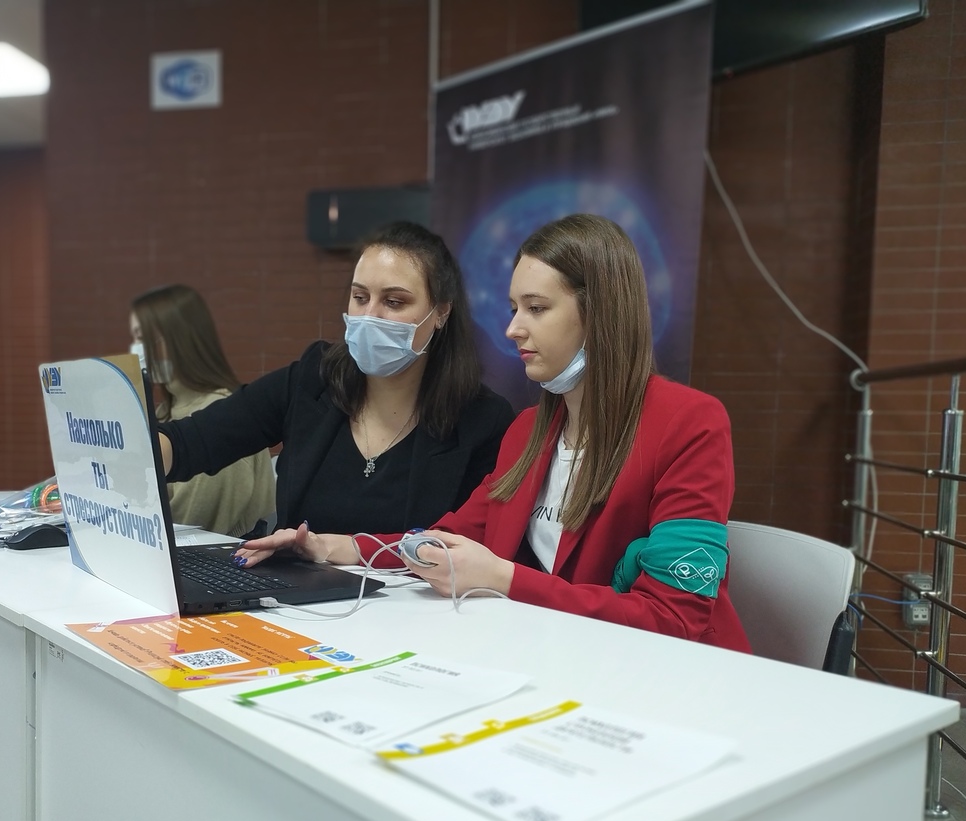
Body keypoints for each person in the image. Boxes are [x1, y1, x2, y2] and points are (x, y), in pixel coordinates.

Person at [239, 214, 751, 653]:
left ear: (601, 315)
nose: (513, 329)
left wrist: (502, 578)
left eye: (536, 308)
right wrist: (332, 548)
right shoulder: (529, 430)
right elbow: (448, 540)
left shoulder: (690, 423)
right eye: (513, 309)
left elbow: (675, 619)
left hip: (664, 683)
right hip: (559, 662)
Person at [156, 221, 515, 536]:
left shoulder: (483, 420)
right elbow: (193, 441)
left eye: (394, 302)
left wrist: (337, 550)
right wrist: (135, 453)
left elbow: (469, 545)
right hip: (295, 591)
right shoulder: (313, 380)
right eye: (360, 297)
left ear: (441, 313)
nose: (369, 315)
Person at [130, 284, 275, 538]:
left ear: (177, 340)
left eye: (143, 338)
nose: (136, 349)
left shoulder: (220, 418)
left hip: (220, 556)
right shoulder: (165, 410)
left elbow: (192, 526)